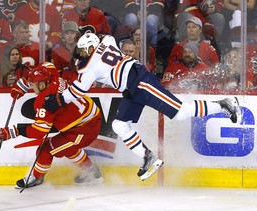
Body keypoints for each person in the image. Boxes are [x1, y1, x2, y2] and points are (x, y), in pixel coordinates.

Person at [42, 32, 242, 181]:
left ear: (90, 48)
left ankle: (225, 104)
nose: (82, 53)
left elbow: (77, 90)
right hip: (131, 88)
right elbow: (108, 38)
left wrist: (58, 100)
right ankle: (148, 156)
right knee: (119, 125)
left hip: (140, 82)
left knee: (181, 112)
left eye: (84, 50)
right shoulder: (107, 41)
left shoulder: (90, 67)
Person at [0, 62, 104, 188]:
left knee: (46, 148)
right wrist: (24, 83)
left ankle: (36, 178)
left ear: (42, 84)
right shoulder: (55, 78)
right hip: (90, 118)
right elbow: (47, 65)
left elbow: (39, 132)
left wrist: (14, 131)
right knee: (66, 147)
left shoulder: (44, 101)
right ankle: (91, 171)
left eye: (33, 85)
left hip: (83, 130)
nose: (32, 88)